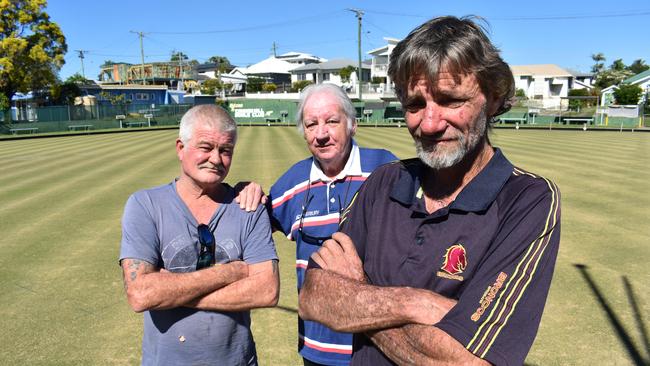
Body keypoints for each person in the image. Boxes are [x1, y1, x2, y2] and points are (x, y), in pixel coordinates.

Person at [299, 16, 561, 366]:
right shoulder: (383, 182)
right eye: (414, 105)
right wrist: (415, 303)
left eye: (451, 100)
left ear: (494, 98)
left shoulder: (527, 200)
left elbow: (469, 362)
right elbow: (314, 297)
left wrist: (359, 292)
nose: (430, 123)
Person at [240, 83, 396, 365]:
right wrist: (246, 190)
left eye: (331, 122)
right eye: (311, 125)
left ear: (352, 125)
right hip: (317, 348)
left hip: (378, 344)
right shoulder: (293, 182)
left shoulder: (386, 170)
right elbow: (252, 226)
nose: (321, 134)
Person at [119, 104, 279, 366]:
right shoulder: (145, 204)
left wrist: (172, 292)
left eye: (225, 150)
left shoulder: (248, 207)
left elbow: (266, 291)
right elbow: (140, 294)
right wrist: (230, 273)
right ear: (181, 148)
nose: (216, 159)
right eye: (206, 147)